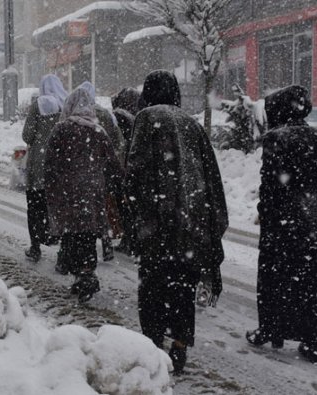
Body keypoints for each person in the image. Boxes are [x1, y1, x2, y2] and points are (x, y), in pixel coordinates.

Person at [124, 70, 228, 374]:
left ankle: (154, 346)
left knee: (153, 286)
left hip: (158, 224)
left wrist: (136, 215)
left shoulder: (146, 118)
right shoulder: (191, 123)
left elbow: (136, 170)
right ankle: (180, 346)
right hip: (191, 223)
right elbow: (211, 176)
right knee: (182, 286)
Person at [246, 85, 317, 363]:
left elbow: (271, 185)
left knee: (274, 277)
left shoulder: (277, 138)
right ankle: (312, 338)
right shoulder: (314, 136)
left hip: (283, 222)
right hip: (311, 221)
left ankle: (271, 328)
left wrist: (266, 212)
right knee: (309, 279)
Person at [44, 87, 123, 302]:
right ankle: (87, 271)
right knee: (87, 235)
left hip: (67, 195)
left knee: (71, 234)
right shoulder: (99, 132)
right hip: (92, 195)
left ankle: (78, 271)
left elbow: (50, 165)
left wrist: (52, 190)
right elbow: (114, 166)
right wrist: (107, 184)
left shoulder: (61, 129)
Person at [22, 75, 67, 262]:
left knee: (34, 208)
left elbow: (27, 135)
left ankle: (35, 247)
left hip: (38, 166)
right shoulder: (65, 105)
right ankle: (62, 249)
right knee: (59, 208)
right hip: (58, 167)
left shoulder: (38, 105)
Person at [79, 81, 125, 261]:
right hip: (103, 169)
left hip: (84, 170)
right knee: (102, 206)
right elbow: (118, 142)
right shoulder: (105, 114)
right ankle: (106, 243)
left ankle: (85, 248)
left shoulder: (76, 116)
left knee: (84, 209)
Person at [111, 87, 141, 256]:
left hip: (123, 165)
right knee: (132, 206)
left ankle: (129, 240)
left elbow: (117, 142)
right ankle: (133, 239)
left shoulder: (120, 117)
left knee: (124, 205)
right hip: (134, 165)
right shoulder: (138, 118)